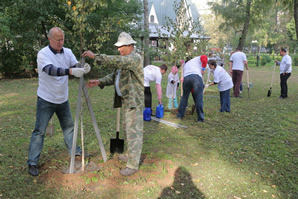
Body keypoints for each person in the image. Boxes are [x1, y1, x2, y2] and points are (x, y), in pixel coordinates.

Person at [27, 27, 91, 176]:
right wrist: (70, 71)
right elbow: (51, 70)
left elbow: (74, 65)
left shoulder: (67, 52)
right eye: (58, 40)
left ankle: (76, 152)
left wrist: (82, 68)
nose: (61, 42)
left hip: (63, 99)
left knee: (69, 127)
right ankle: (32, 162)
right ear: (50, 39)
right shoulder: (43, 54)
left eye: (62, 39)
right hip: (46, 99)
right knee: (39, 131)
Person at [82, 32, 143, 176]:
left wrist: (95, 56)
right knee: (128, 130)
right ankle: (130, 155)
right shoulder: (124, 60)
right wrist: (100, 81)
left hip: (134, 101)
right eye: (118, 47)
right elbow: (114, 76)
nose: (118, 50)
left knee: (134, 132)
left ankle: (133, 165)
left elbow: (116, 61)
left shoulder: (134, 58)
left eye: (121, 47)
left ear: (130, 45)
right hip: (126, 101)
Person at [177, 55, 208, 122]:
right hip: (196, 77)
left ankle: (180, 115)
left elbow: (191, 86)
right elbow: (204, 58)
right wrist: (203, 69)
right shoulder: (197, 59)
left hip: (186, 78)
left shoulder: (186, 64)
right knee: (199, 97)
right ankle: (200, 118)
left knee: (184, 97)